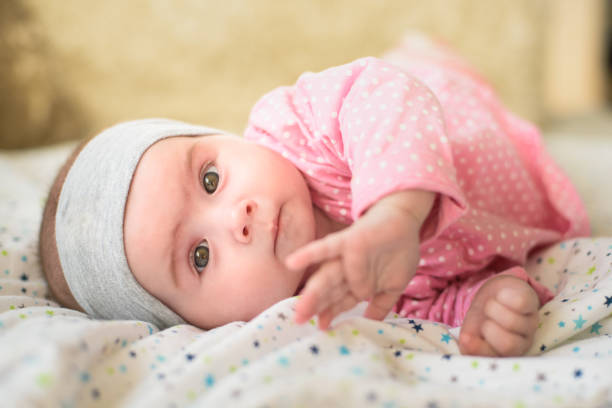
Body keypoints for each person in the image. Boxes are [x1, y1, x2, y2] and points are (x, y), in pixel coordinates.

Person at [39, 37, 589, 357]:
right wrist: (488, 305)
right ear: (197, 324)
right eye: (199, 256)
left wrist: (394, 213)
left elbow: (387, 93)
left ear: (222, 137)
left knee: (423, 66)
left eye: (210, 179)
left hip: (461, 118)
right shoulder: (332, 311)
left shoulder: (300, 128)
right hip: (526, 205)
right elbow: (427, 306)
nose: (239, 217)